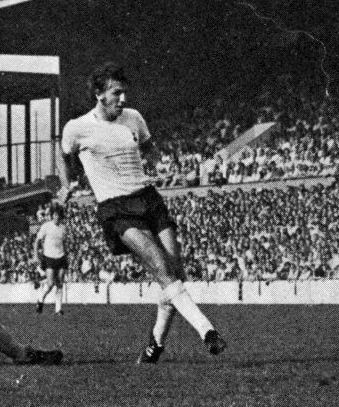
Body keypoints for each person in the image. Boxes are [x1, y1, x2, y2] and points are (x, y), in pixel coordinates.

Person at [57, 62, 226, 364]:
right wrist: (66, 184)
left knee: (174, 274)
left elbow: (148, 147)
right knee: (162, 268)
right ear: (99, 94)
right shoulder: (77, 127)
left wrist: (159, 168)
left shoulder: (133, 118)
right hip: (116, 207)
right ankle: (207, 331)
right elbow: (63, 155)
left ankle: (155, 345)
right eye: (116, 93)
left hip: (148, 198)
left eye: (124, 92)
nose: (122, 99)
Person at [34, 205, 67, 315]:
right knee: (50, 283)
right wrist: (35, 255)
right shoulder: (46, 226)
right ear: (52, 215)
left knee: (60, 282)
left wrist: (66, 255)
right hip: (49, 257)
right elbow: (37, 241)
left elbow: (64, 243)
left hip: (61, 257)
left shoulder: (63, 228)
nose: (57, 217)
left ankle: (58, 309)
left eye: (59, 215)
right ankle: (40, 299)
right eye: (55, 215)